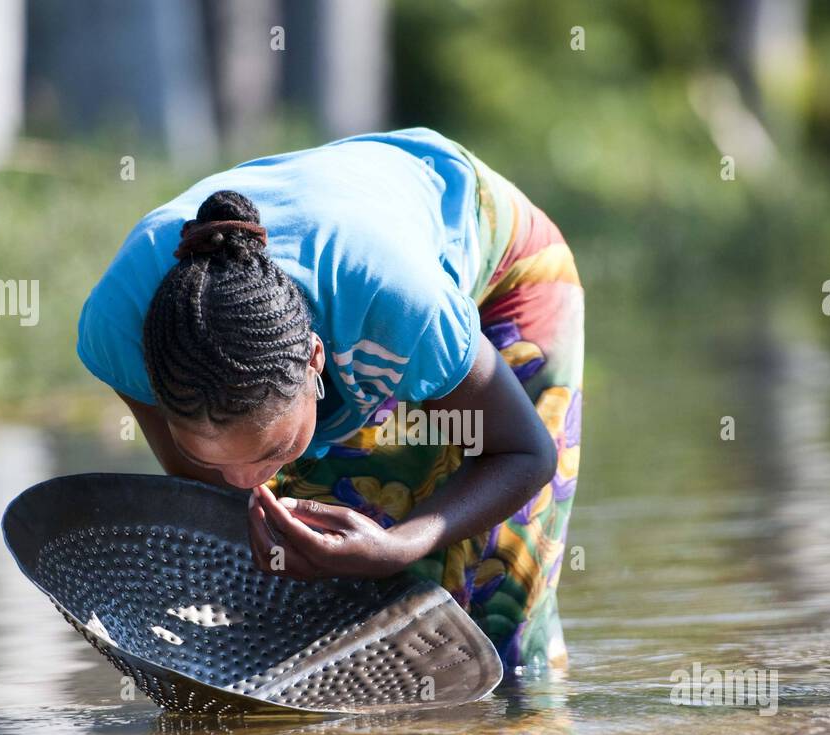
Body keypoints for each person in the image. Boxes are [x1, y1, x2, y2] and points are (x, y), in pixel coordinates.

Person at [77, 129, 583, 671]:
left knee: (489, 607)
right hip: (357, 302)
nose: (249, 481)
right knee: (311, 590)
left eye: (274, 449)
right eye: (211, 456)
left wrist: (403, 545)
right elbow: (213, 506)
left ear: (317, 360)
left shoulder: (401, 305)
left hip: (498, 261)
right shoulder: (120, 333)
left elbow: (524, 453)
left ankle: (524, 731)